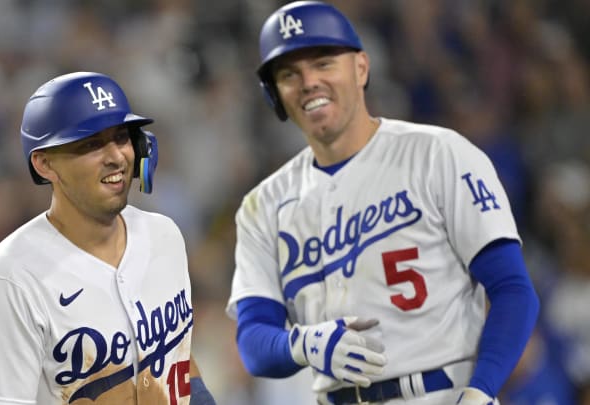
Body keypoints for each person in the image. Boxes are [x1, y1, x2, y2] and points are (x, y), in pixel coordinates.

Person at [225, 2, 539, 404]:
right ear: (274, 95)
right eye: (289, 74)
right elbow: (253, 341)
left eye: (323, 63)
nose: (308, 82)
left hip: (443, 393)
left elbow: (513, 288)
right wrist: (302, 345)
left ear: (361, 68)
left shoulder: (438, 155)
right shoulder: (262, 205)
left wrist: (482, 390)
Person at [0, 71, 215, 405]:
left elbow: (179, 361)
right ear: (45, 164)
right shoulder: (8, 281)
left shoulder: (165, 236)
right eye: (91, 144)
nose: (116, 156)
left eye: (121, 137)